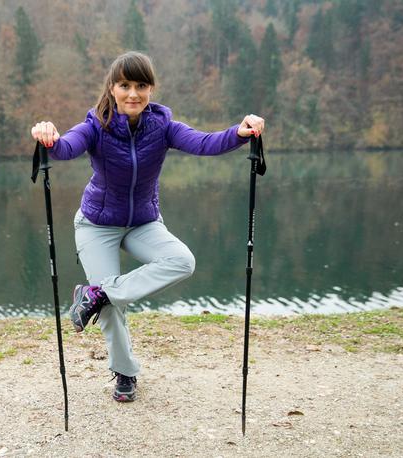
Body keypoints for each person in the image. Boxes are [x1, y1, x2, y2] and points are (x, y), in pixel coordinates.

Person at [30, 51, 264, 403]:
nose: (133, 94)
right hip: (97, 224)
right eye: (125, 85)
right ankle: (125, 372)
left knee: (181, 261)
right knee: (111, 308)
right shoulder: (96, 125)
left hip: (143, 221)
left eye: (141, 85)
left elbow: (203, 142)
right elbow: (65, 148)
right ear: (112, 88)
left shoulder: (162, 124)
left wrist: (240, 133)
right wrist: (48, 136)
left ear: (151, 88)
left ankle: (97, 294)